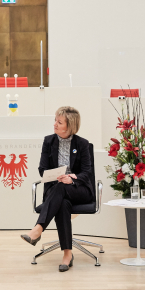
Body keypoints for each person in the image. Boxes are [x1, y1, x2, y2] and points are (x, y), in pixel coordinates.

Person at [21, 106, 94, 272]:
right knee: (62, 203)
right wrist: (57, 176)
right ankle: (67, 255)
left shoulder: (82, 144)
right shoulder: (49, 141)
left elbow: (87, 172)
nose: (54, 124)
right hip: (56, 189)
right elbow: (42, 169)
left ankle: (38, 230)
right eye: (55, 120)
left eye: (59, 122)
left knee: (62, 189)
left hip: (79, 189)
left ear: (70, 126)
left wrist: (71, 178)